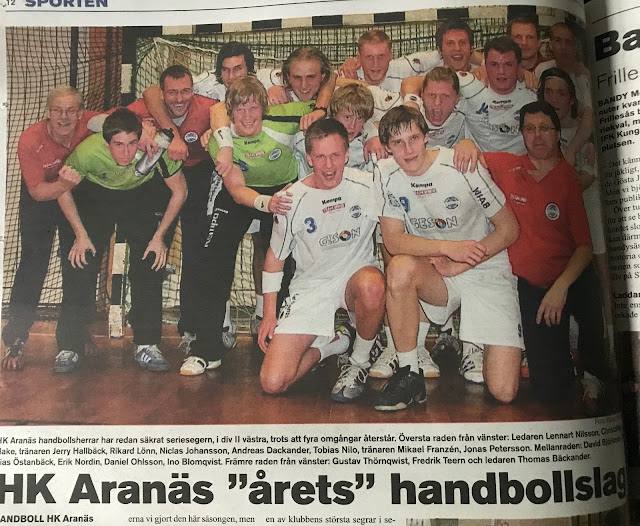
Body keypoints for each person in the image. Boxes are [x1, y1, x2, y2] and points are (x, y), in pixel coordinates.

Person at [375, 106, 523, 411]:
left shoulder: (461, 165)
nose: (408, 149)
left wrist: (460, 262)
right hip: (439, 270)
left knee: (503, 391)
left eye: (413, 138)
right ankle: (409, 372)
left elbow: (509, 229)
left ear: (426, 137)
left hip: (486, 268)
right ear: (387, 147)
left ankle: (480, 343)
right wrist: (447, 248)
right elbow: (393, 240)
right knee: (399, 268)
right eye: (398, 142)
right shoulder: (385, 175)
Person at [178, 76, 310, 376]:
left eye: (253, 108)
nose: (247, 116)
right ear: (230, 112)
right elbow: (237, 190)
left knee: (285, 263)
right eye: (239, 109)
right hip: (244, 194)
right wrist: (266, 203)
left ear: (263, 108)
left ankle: (280, 339)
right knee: (212, 258)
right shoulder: (219, 141)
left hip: (282, 191)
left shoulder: (285, 119)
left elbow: (324, 103)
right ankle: (207, 348)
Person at [484, 100, 607, 403]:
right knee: (549, 387)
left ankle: (594, 374)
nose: (537, 135)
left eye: (544, 128)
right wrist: (463, 145)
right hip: (531, 287)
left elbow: (585, 247)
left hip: (567, 279)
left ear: (557, 133)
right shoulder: (507, 166)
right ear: (522, 134)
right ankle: (562, 364)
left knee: (591, 290)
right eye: (529, 129)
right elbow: (467, 154)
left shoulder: (568, 179)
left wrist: (560, 288)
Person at [258, 119, 385, 401]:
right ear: (309, 158)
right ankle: (334, 343)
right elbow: (275, 257)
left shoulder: (369, 186)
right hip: (311, 287)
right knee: (272, 382)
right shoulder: (291, 199)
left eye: (336, 155)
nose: (329, 166)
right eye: (320, 157)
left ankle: (359, 361)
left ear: (347, 154)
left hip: (354, 280)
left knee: (372, 285)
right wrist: (269, 313)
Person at [54, 108, 187, 373]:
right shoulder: (88, 152)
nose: (126, 152)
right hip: (96, 195)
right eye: (118, 145)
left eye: (131, 144)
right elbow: (62, 190)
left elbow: (180, 191)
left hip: (139, 195)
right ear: (107, 144)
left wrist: (159, 237)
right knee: (80, 262)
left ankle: (147, 344)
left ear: (140, 139)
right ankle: (70, 345)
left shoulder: (155, 149)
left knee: (150, 263)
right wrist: (80, 234)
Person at [129, 65, 234, 351]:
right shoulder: (143, 108)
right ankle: (145, 336)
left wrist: (216, 133)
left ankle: (192, 329)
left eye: (185, 91)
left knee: (197, 253)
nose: (179, 98)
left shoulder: (208, 107)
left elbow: (231, 116)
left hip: (198, 178)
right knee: (151, 250)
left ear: (193, 91)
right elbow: (108, 124)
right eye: (172, 92)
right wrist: (140, 131)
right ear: (161, 93)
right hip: (160, 180)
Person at [1, 85, 95, 371]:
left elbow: (125, 118)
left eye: (70, 111)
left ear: (80, 113)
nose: (64, 117)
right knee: (33, 263)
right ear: (48, 112)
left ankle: (76, 333)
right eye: (57, 110)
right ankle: (16, 338)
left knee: (78, 261)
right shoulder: (30, 140)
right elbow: (38, 192)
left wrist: (147, 131)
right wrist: (64, 184)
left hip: (77, 196)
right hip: (41, 196)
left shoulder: (92, 124)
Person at [337, 22, 480, 91]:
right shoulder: (349, 73)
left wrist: (484, 64)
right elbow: (327, 79)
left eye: (381, 56)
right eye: (369, 57)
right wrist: (361, 85)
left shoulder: (407, 66)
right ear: (359, 57)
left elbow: (453, 54)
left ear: (391, 55)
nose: (375, 63)